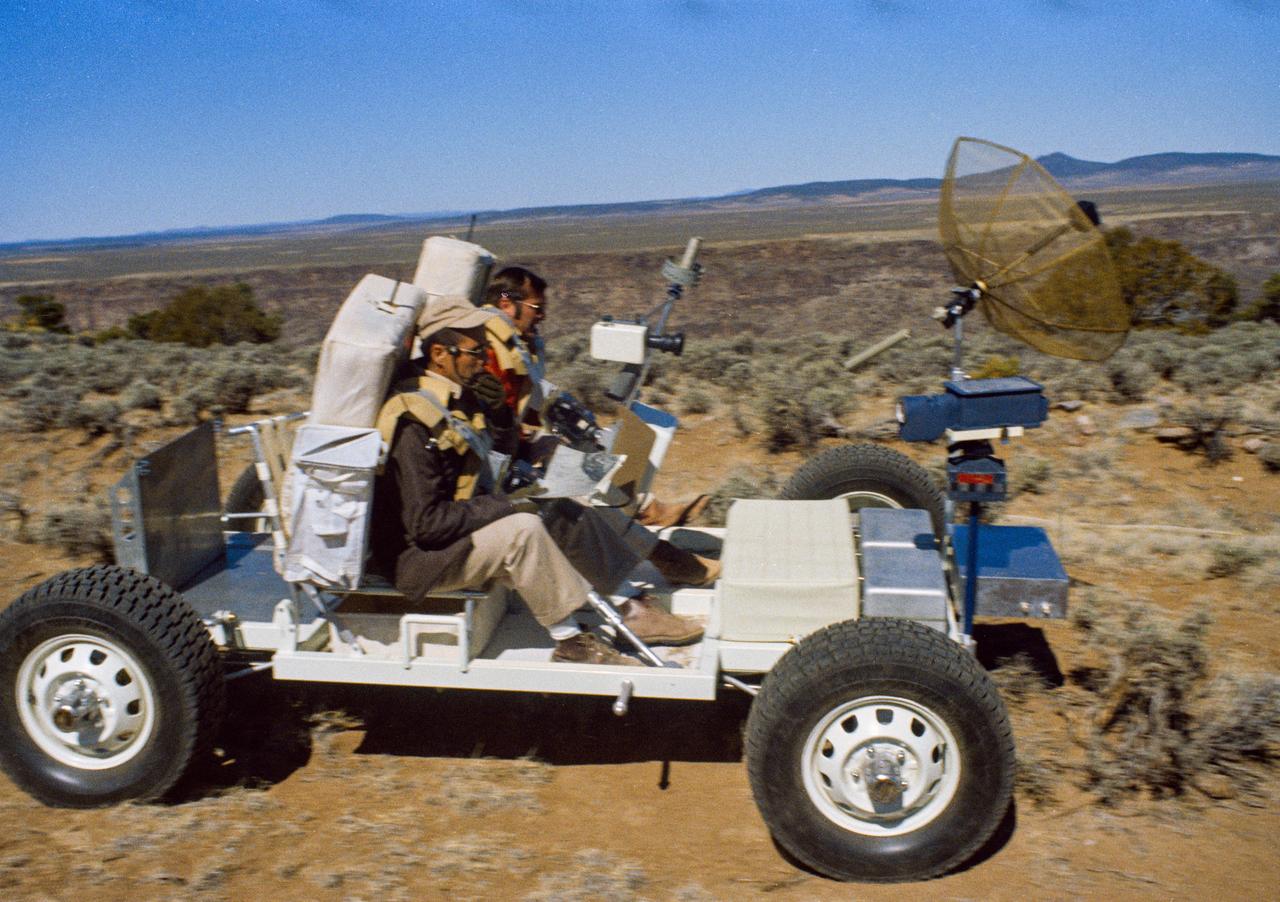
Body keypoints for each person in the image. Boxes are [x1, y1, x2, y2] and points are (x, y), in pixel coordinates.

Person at [370, 299, 705, 666]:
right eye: (475, 350)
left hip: (452, 536)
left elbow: (495, 456)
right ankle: (572, 644)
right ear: (439, 353)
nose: (483, 359)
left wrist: (499, 416)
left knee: (558, 505)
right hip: (422, 561)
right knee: (523, 530)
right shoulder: (413, 423)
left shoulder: (454, 397)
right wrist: (508, 504)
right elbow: (426, 524)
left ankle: (633, 608)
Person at [479, 266, 712, 532]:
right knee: (576, 489)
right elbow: (499, 423)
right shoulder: (490, 354)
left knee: (572, 455)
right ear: (506, 304)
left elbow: (525, 407)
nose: (542, 316)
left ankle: (645, 508)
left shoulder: (509, 347)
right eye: (537, 307)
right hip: (494, 464)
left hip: (507, 449)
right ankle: (659, 543)